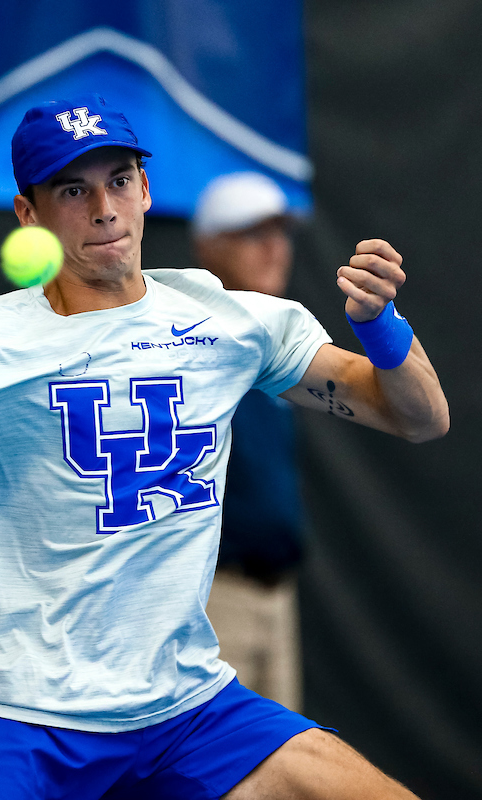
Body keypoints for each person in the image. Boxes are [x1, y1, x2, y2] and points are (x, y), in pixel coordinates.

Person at [0, 93, 448, 798]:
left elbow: (418, 417)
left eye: (119, 180)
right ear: (28, 214)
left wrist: (382, 326)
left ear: (147, 188)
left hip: (192, 713)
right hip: (36, 723)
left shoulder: (232, 318)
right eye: (72, 191)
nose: (104, 209)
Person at [191, 172, 307, 712]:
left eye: (279, 233)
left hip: (276, 597)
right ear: (209, 247)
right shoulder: (184, 337)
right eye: (252, 234)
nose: (272, 249)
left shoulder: (282, 344)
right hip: (209, 599)